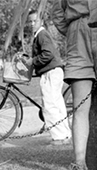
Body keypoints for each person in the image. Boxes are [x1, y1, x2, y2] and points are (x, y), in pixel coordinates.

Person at [52, 0, 97, 170]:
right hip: (77, 36)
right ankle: (80, 168)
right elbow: (57, 11)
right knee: (80, 107)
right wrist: (74, 30)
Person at [27, 10, 72, 145]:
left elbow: (48, 54)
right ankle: (64, 134)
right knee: (58, 104)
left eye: (35, 21)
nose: (32, 24)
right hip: (55, 71)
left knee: (49, 105)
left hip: (51, 72)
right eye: (30, 21)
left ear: (41, 21)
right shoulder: (40, 35)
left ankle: (58, 137)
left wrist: (32, 61)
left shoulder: (42, 34)